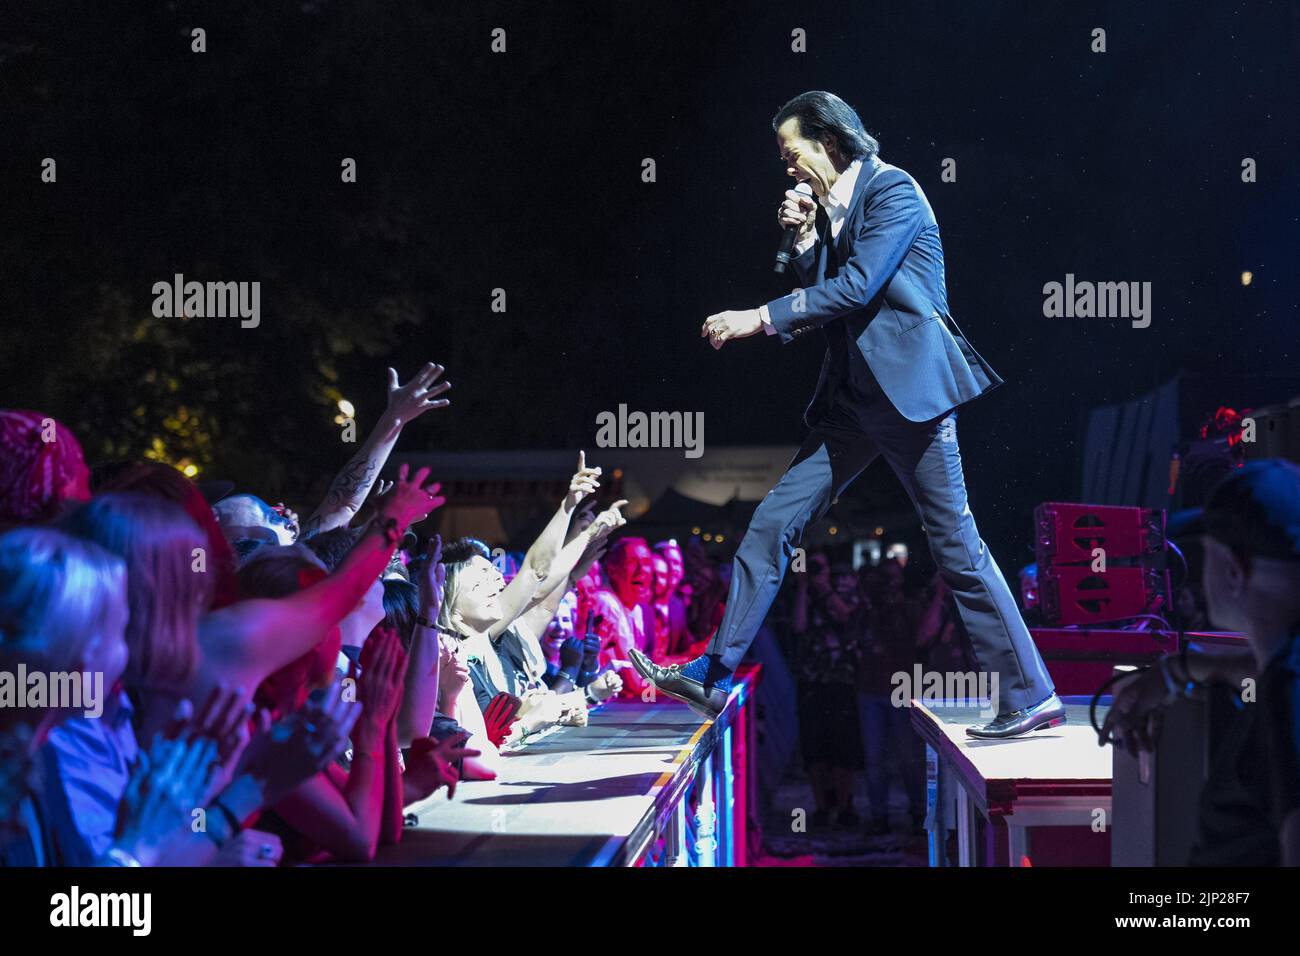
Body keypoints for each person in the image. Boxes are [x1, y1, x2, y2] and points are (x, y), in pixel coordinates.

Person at [632, 91, 1061, 737]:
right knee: (773, 521)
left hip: (909, 399)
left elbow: (857, 287)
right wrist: (805, 236)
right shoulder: (839, 208)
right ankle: (712, 674)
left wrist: (761, 315)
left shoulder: (894, 193)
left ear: (829, 141)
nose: (787, 165)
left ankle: (1030, 694)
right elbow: (831, 288)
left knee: (955, 546)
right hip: (854, 404)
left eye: (791, 150)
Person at [1102, 460, 1300, 865]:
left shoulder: (1290, 692)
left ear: (1233, 571)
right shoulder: (1285, 670)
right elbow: (1257, 669)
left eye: (1205, 553)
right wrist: (1178, 671)